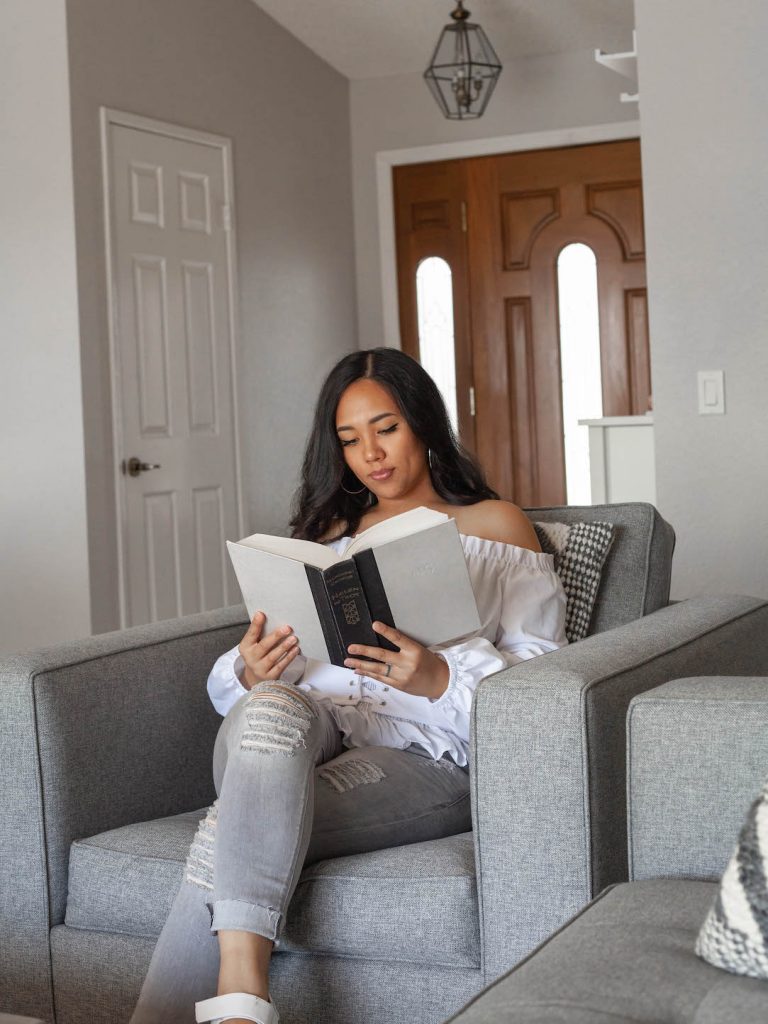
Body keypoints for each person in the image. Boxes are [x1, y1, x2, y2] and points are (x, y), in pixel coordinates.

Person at [130, 348, 567, 1024]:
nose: (371, 454)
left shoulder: (496, 526)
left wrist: (439, 674)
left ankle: (240, 1002)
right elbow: (262, 674)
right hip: (305, 724)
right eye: (350, 438)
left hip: (423, 754)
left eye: (386, 428)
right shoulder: (325, 537)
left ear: (423, 423)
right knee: (270, 708)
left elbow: (546, 693)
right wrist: (250, 669)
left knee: (237, 822)